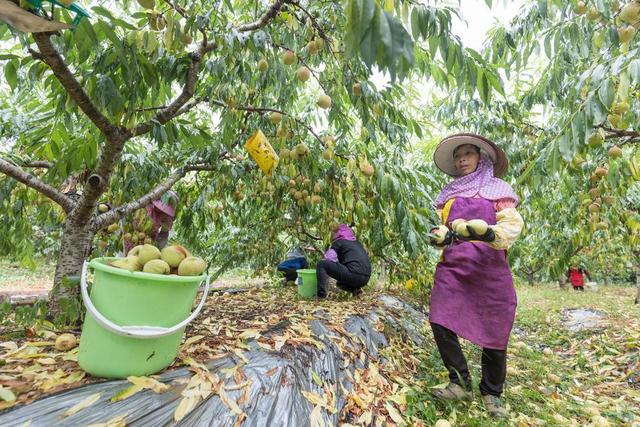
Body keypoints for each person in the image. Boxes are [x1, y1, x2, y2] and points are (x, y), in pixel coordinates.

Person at [427, 133, 524, 418]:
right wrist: (441, 237)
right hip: (454, 267)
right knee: (439, 317)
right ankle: (459, 382)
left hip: (490, 269)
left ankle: (492, 392)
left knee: (496, 328)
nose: (461, 160)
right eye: (458, 156)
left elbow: (512, 226)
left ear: (482, 158)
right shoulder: (449, 195)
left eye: (467, 153)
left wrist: (490, 233)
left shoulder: (498, 191)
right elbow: (445, 228)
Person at [316, 223, 371, 298]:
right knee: (340, 283)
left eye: (334, 232)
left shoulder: (338, 242)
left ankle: (321, 296)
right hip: (366, 278)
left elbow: (329, 258)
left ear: (338, 233)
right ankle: (357, 291)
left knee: (321, 264)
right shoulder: (357, 243)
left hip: (353, 274)